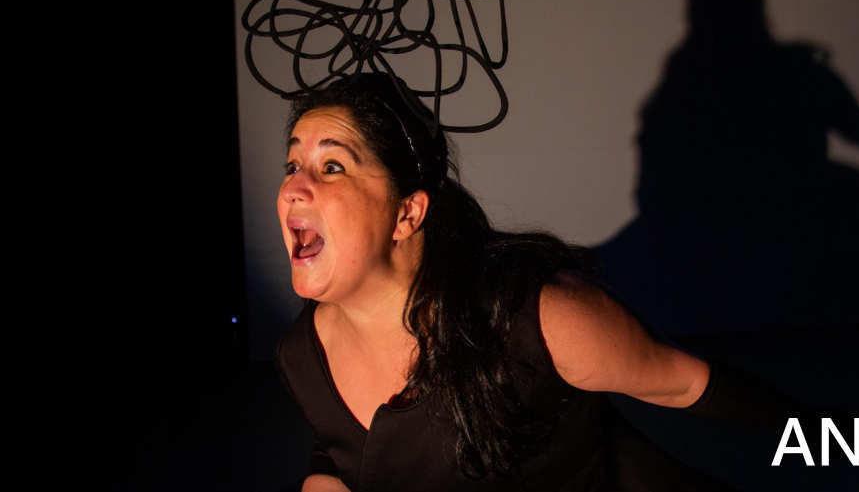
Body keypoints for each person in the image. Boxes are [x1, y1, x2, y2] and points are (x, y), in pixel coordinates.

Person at [273, 72, 808, 492]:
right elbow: (342, 453)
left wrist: (842, 442)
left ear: (407, 213)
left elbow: (684, 383)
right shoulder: (301, 356)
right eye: (293, 164)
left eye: (332, 166)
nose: (294, 187)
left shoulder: (533, 323)